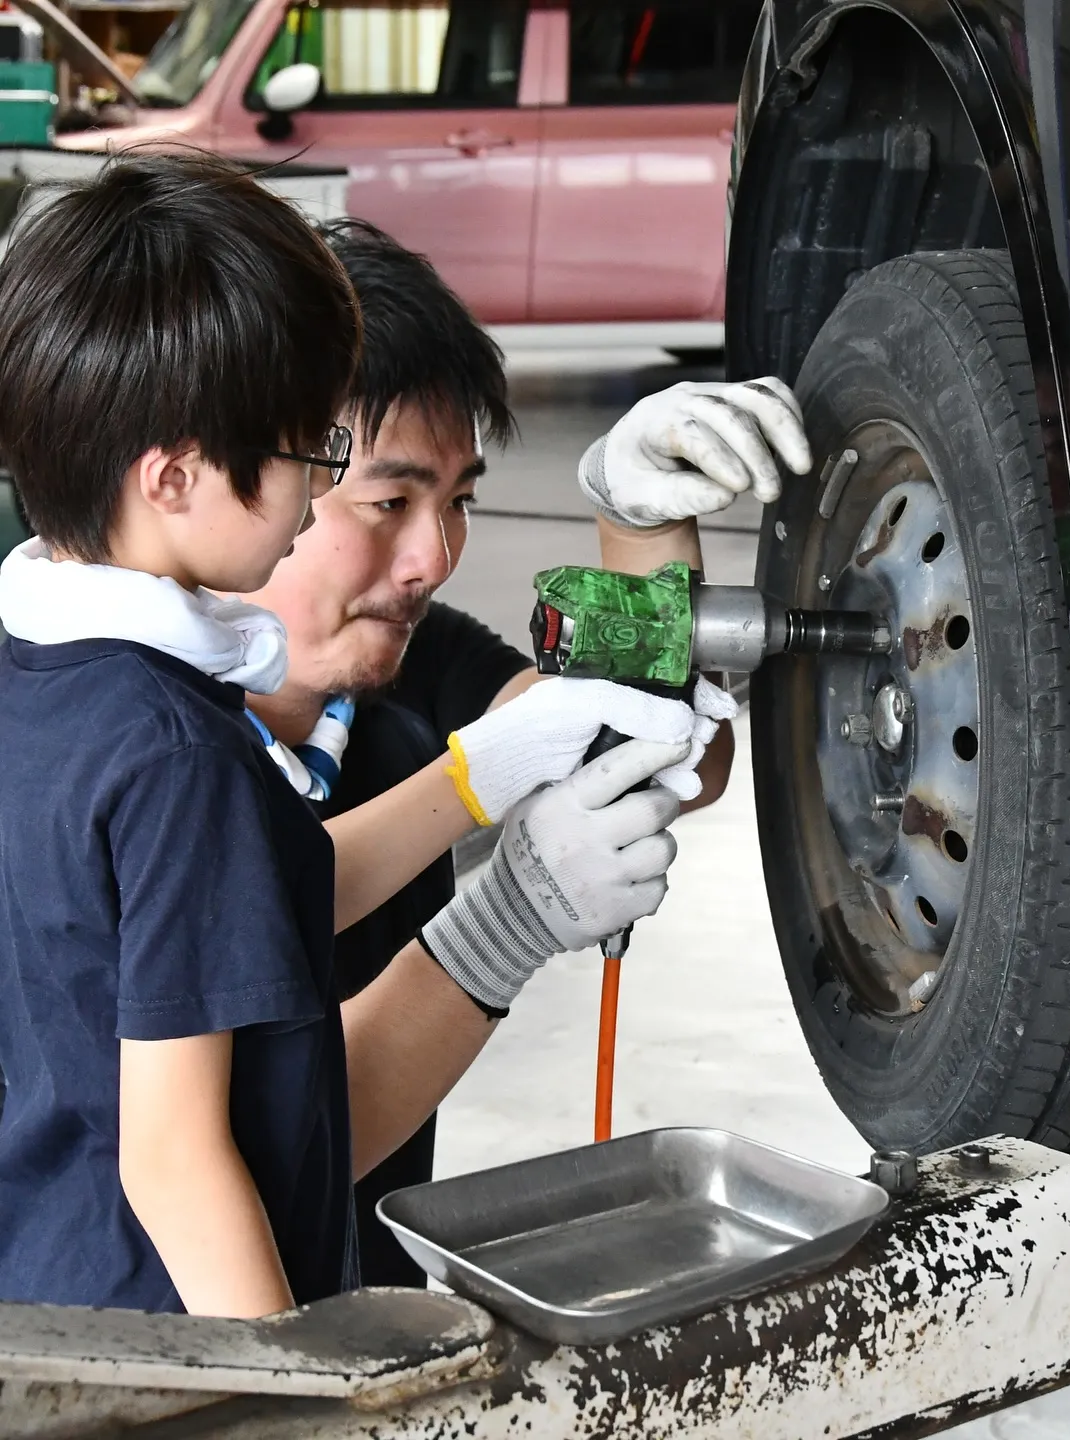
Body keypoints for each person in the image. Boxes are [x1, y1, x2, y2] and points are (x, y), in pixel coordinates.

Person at [0, 154, 701, 1317]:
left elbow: (246, 898)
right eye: (312, 460)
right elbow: (171, 1159)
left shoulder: (51, 681)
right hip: (173, 1332)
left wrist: (486, 773)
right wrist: (287, 1394)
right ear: (173, 474)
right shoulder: (180, 756)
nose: (425, 553)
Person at [243, 219, 811, 1284]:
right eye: (389, 502)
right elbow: (263, 1154)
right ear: (251, 470)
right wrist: (503, 922)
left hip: (364, 1296)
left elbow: (654, 756)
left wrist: (636, 525)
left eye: (458, 502)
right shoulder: (123, 739)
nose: (432, 558)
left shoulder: (404, 664)